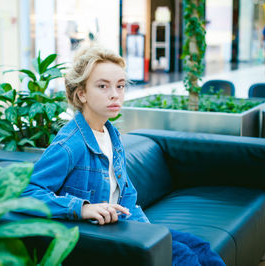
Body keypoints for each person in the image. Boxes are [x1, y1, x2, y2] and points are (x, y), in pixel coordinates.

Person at [21, 45, 226, 266]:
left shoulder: (111, 134)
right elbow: (26, 193)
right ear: (82, 93)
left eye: (120, 86)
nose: (115, 94)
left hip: (125, 226)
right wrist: (82, 208)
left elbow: (125, 192)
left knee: (202, 249)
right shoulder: (71, 143)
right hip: (98, 237)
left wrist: (147, 231)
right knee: (184, 257)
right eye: (103, 86)